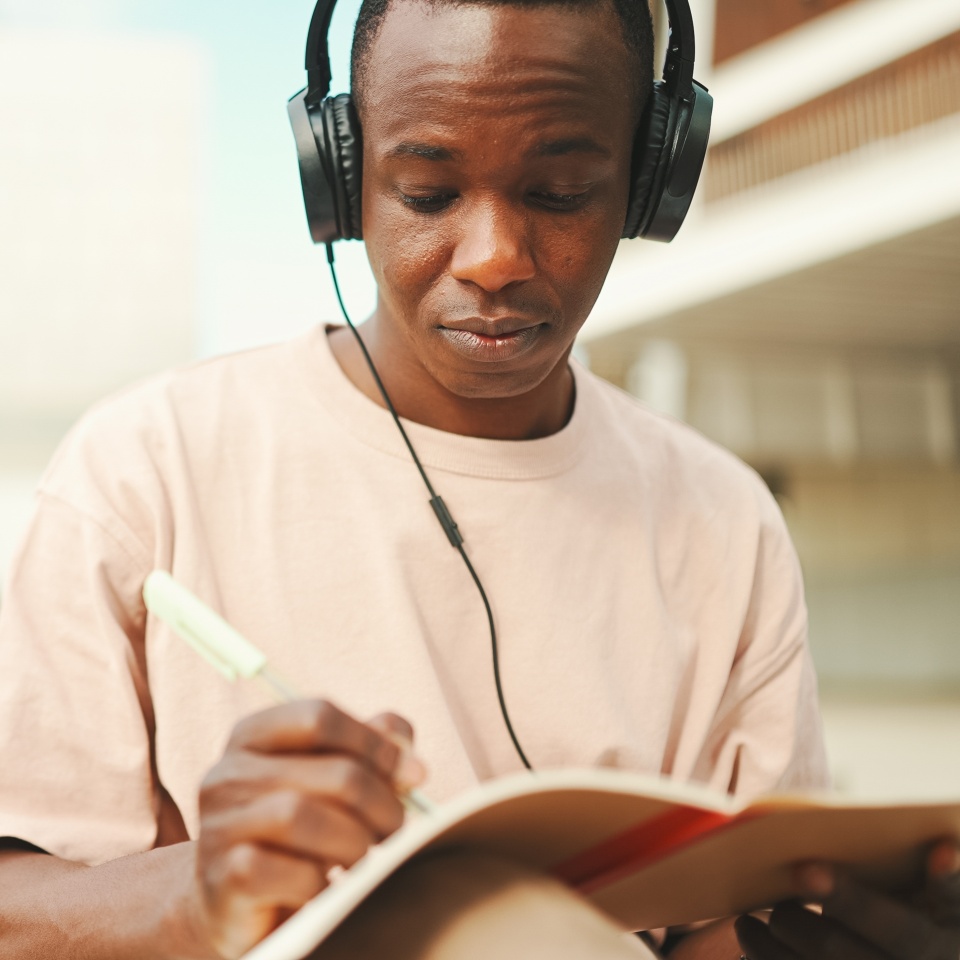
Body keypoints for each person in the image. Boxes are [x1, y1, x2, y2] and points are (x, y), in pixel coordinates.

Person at [0, 0, 957, 957]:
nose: (494, 258)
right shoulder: (145, 471)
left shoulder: (725, 519)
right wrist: (193, 895)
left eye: (561, 193)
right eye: (427, 195)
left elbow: (728, 923)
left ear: (646, 184)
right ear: (342, 179)